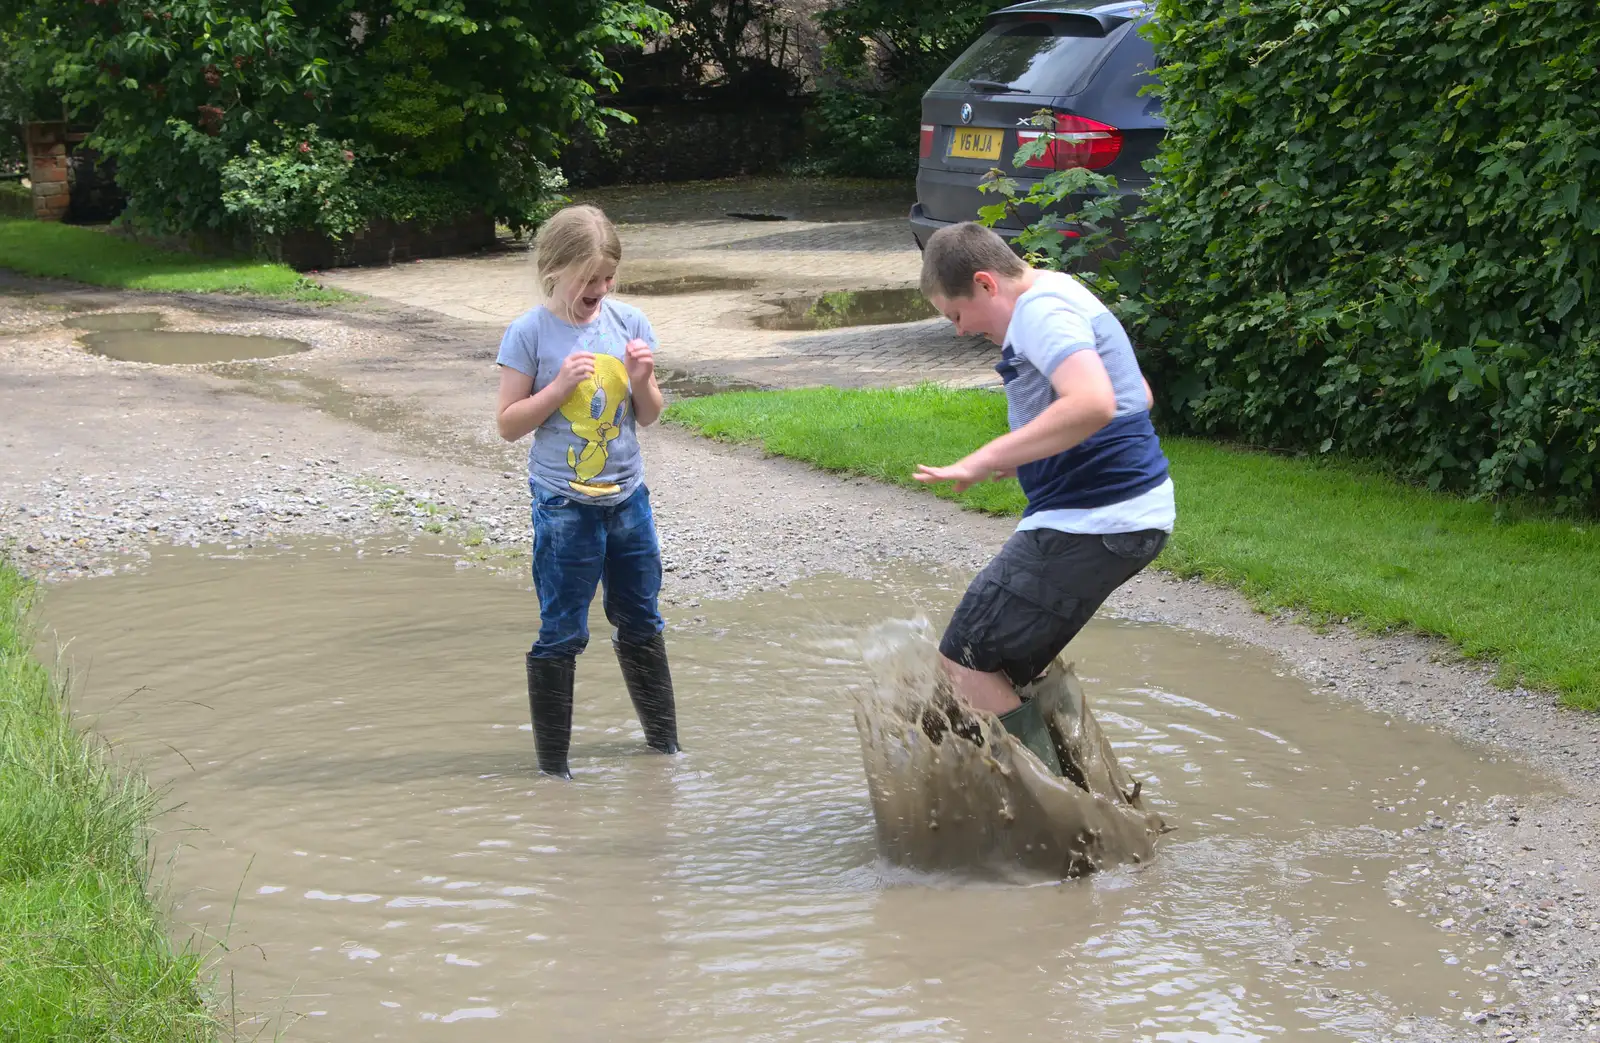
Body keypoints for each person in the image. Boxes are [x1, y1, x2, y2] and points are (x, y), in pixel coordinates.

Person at [913, 222, 1174, 776]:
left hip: (1092, 521)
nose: (960, 333)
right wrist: (1033, 454)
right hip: (1121, 518)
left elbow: (1095, 401)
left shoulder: (1039, 312)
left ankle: (1058, 824)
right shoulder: (1062, 291)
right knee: (1007, 670)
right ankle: (1086, 795)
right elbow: (1136, 394)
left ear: (985, 284)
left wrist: (987, 455)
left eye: (956, 315)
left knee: (964, 661)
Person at [494, 204, 679, 779]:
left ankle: (665, 753)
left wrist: (645, 381)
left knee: (642, 619)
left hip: (628, 500)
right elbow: (507, 423)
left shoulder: (629, 322)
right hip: (563, 505)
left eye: (607, 277)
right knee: (563, 629)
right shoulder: (529, 332)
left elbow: (648, 417)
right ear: (554, 270)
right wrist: (556, 389)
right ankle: (554, 772)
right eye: (587, 280)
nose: (599, 289)